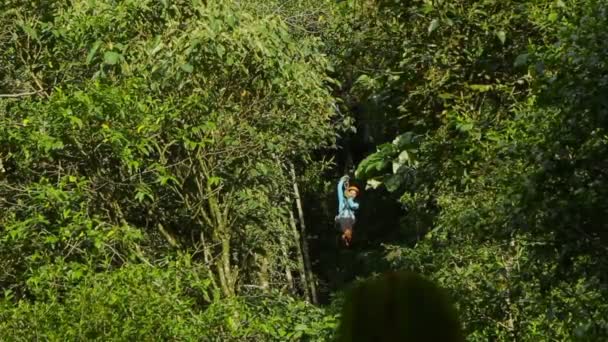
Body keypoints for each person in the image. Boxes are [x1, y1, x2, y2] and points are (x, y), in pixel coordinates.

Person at [336, 175, 360, 246]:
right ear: (349, 192)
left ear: (356, 196)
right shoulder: (342, 201)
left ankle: (347, 241)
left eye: (354, 193)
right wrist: (342, 181)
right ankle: (344, 241)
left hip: (348, 221)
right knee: (346, 232)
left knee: (348, 233)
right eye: (351, 192)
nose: (353, 194)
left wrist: (348, 197)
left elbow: (352, 205)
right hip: (343, 219)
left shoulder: (356, 204)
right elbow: (339, 190)